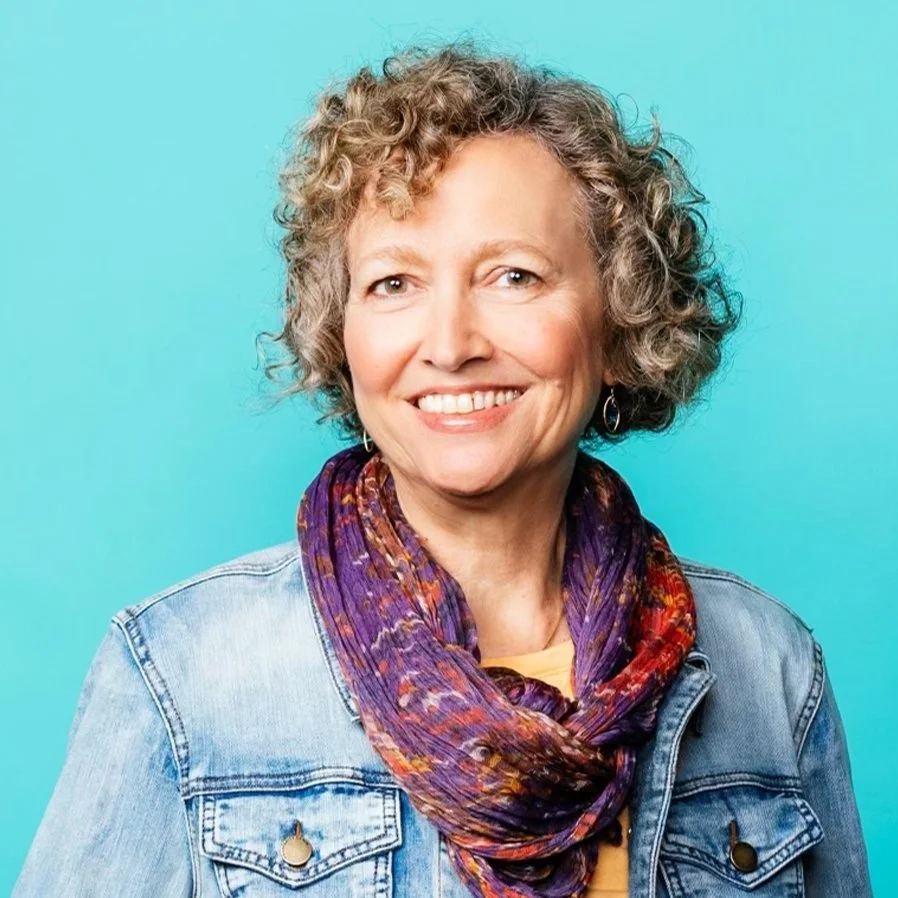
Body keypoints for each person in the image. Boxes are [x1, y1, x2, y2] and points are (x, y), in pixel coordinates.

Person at [14, 42, 872, 898]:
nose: (452, 344)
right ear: (342, 335)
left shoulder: (768, 667)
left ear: (619, 319)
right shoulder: (182, 674)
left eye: (513, 276)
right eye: (394, 283)